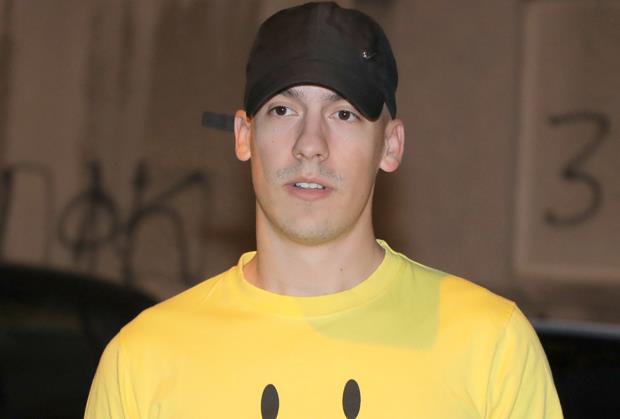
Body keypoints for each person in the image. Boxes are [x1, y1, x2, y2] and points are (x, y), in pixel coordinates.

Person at [85, 2, 563, 418]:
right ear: (244, 136)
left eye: (343, 114)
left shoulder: (489, 346)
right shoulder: (143, 360)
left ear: (390, 146)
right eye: (283, 110)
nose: (310, 144)